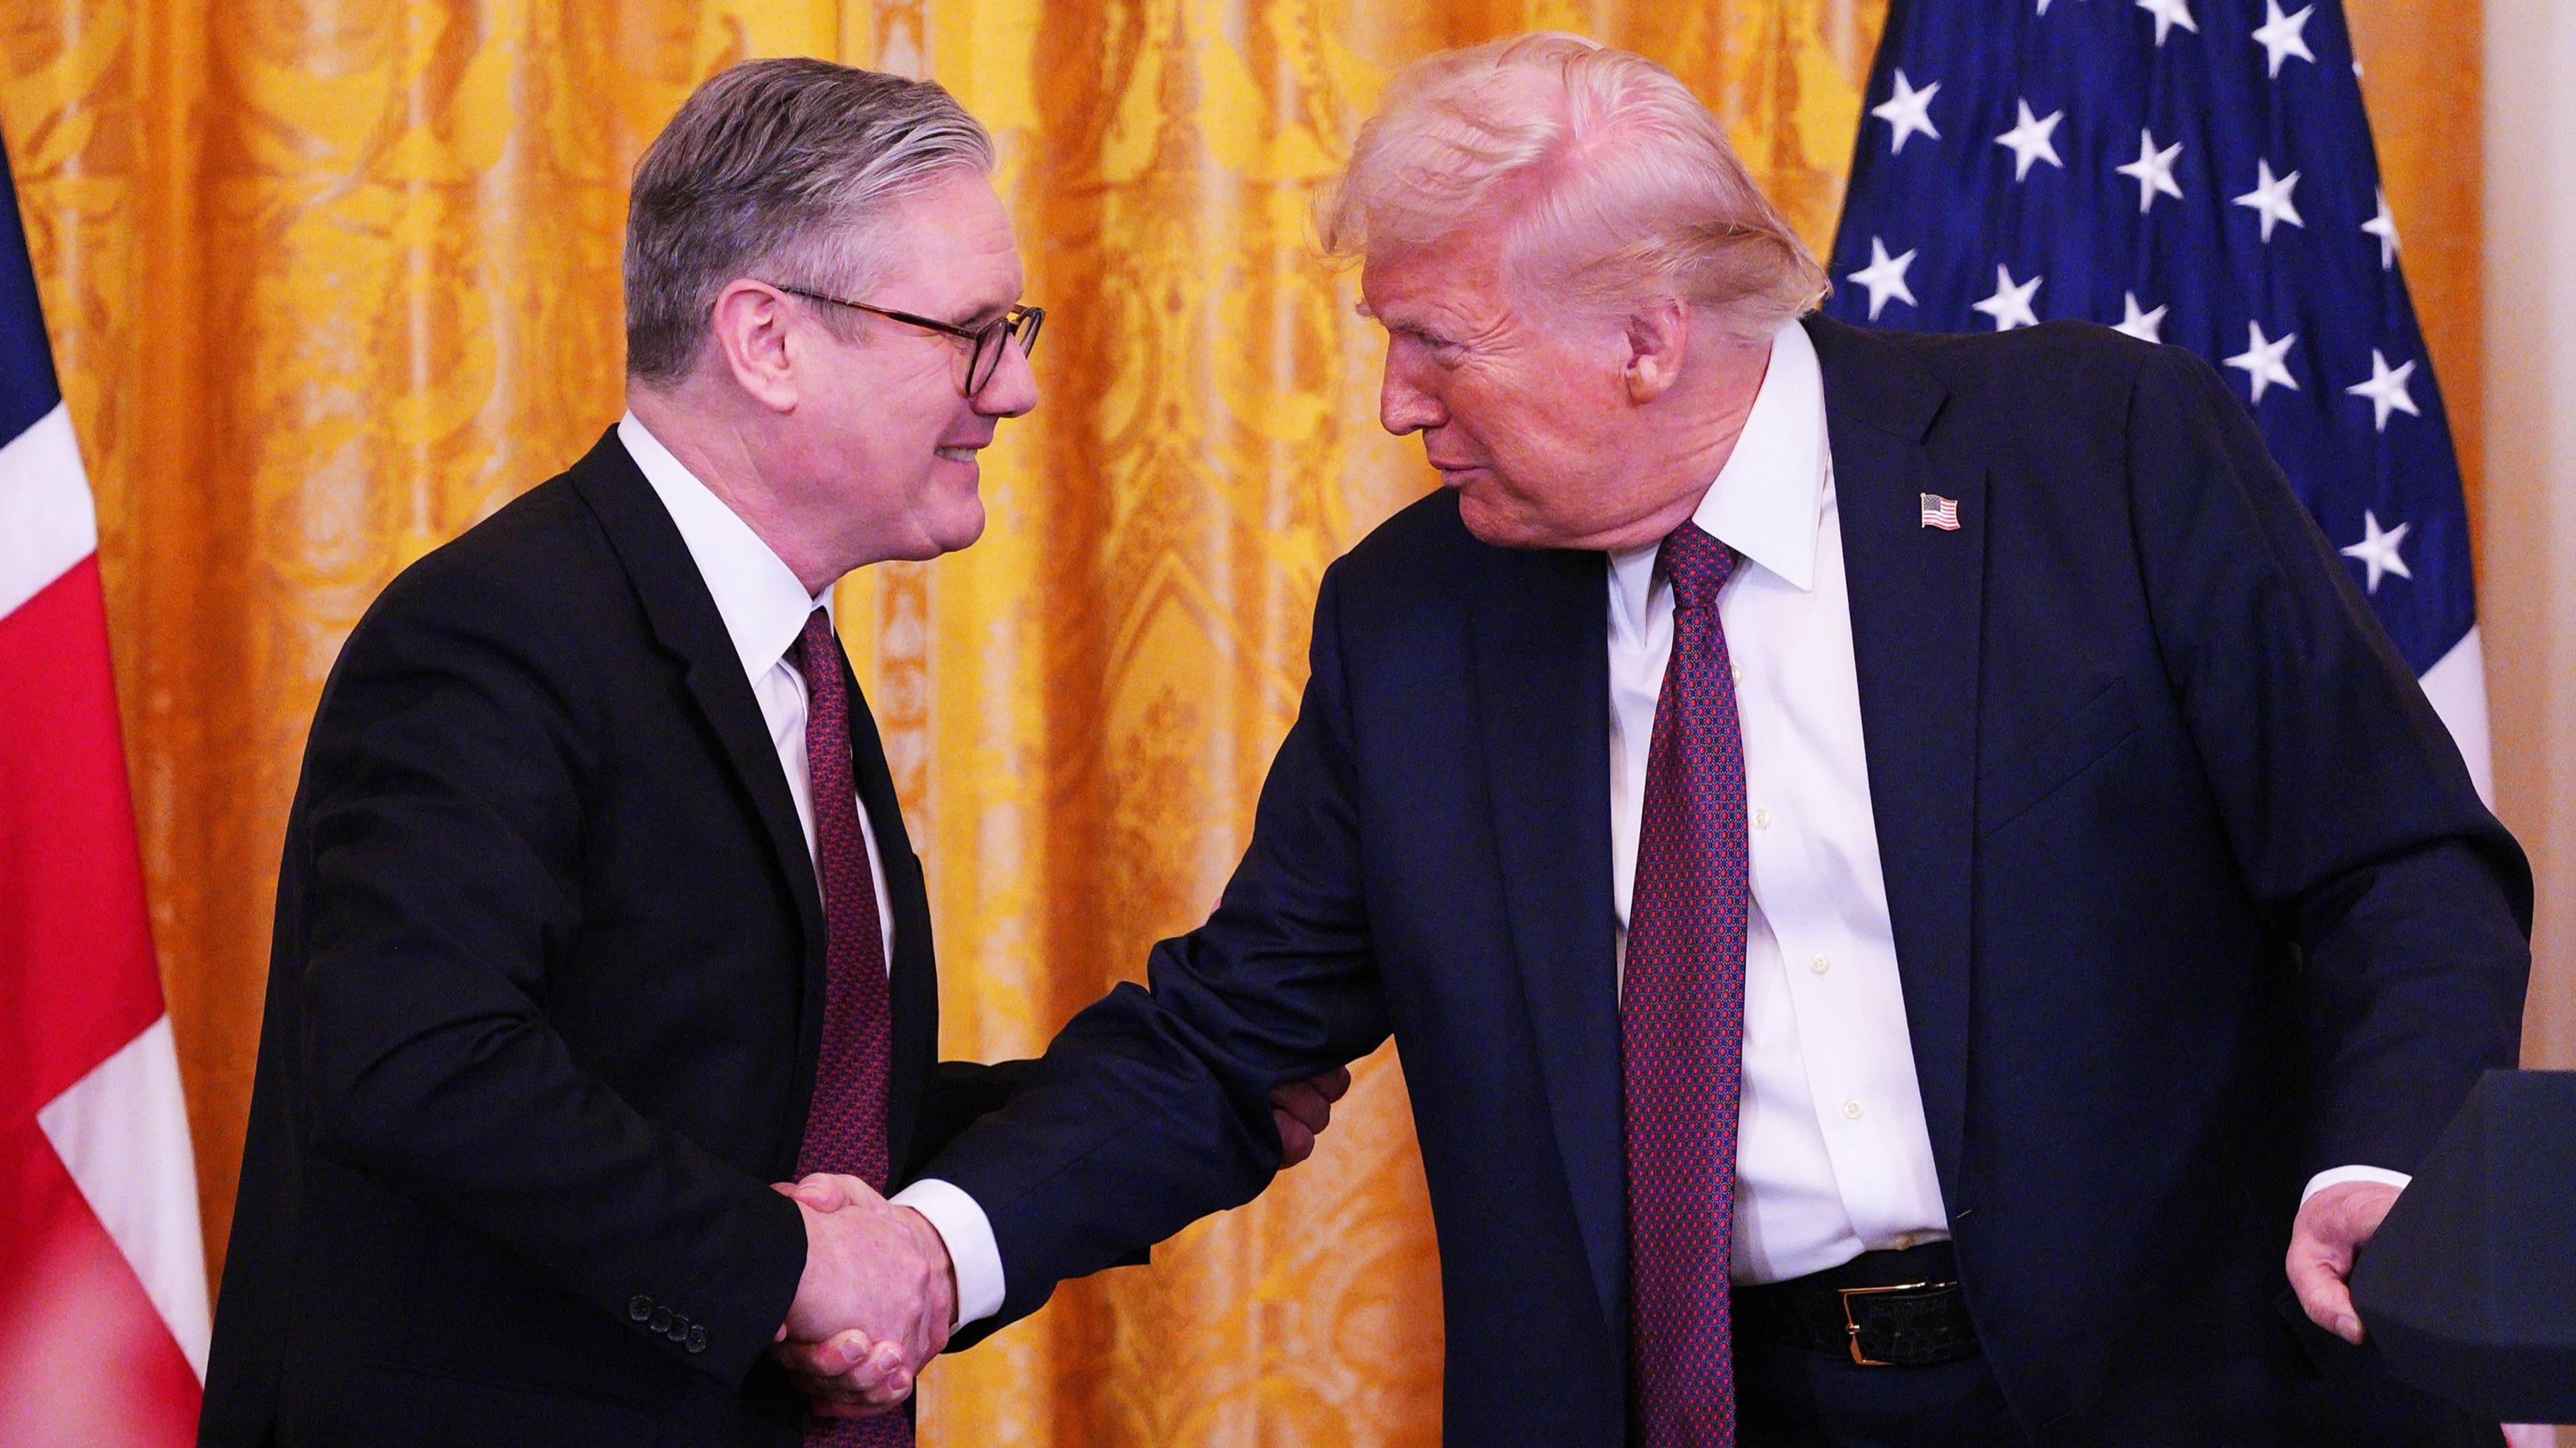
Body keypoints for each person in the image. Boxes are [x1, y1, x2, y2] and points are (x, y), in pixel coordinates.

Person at [904, 34, 2534, 1448]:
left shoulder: (2095, 454)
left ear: (1648, 335)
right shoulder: (1415, 624)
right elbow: (1226, 1041)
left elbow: (2399, 864)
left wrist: (2381, 1167)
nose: (1398, 403)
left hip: (2192, 1387)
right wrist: (933, 1251)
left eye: (1438, 342)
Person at [197, 58, 1342, 1447]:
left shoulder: (783, 654)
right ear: (769, 341)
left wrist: (1172, 1100)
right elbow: (421, 1064)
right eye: (975, 332)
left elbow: (780, 1114)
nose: (1021, 387)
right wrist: (791, 1268)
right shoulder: (496, 632)